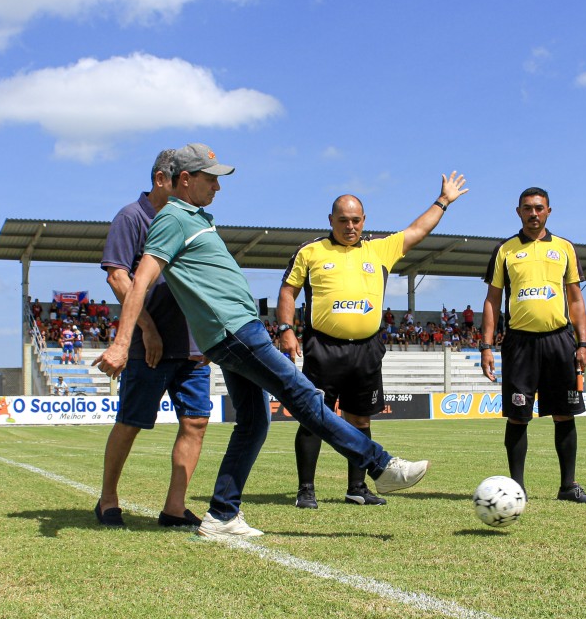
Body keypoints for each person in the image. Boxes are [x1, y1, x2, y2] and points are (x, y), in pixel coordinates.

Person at [94, 143, 430, 539]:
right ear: (186, 179)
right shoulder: (173, 218)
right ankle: (381, 467)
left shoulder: (193, 217)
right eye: (211, 178)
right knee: (304, 397)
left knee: (254, 423)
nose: (218, 187)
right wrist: (121, 342)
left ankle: (221, 514)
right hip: (235, 331)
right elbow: (140, 280)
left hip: (231, 333)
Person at [276, 173, 468, 509]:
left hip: (366, 349)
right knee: (312, 417)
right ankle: (306, 489)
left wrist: (443, 201)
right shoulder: (310, 252)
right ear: (331, 220)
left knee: (360, 420)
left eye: (355, 220)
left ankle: (357, 487)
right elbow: (288, 291)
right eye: (343, 220)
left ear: (364, 220)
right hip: (324, 348)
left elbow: (417, 231)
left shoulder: (380, 248)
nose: (350, 226)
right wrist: (285, 329)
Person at [95, 149, 212, 529]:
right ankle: (108, 498)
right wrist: (146, 327)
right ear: (163, 179)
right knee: (131, 421)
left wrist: (209, 333)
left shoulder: (194, 219)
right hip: (151, 345)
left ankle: (174, 508)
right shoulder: (133, 216)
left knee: (195, 422)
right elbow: (118, 277)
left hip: (192, 344)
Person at [479, 186, 586, 503]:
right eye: (527, 208)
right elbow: (492, 300)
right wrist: (486, 346)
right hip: (520, 343)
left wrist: (582, 343)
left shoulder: (564, 248)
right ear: (518, 212)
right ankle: (517, 489)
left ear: (548, 211)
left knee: (564, 413)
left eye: (539, 208)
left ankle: (568, 487)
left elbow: (576, 298)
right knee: (518, 416)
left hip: (559, 340)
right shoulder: (505, 250)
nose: (533, 213)